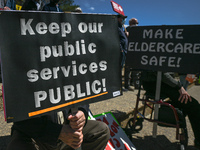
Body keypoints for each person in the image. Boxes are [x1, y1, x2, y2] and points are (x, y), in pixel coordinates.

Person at [7, 105, 110, 150]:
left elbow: (81, 91)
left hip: (67, 126)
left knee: (101, 131)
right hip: (35, 135)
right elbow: (20, 119)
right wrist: (57, 132)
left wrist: (81, 111)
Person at [141, 71, 200, 149]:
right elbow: (161, 73)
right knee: (193, 105)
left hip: (159, 82)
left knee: (189, 104)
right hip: (156, 83)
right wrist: (179, 86)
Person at [123, 18, 139, 91]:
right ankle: (127, 85)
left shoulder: (139, 30)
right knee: (128, 70)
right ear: (130, 23)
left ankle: (136, 84)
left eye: (136, 23)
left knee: (136, 70)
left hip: (136, 52)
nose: (136, 24)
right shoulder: (126, 30)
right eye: (134, 23)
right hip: (128, 52)